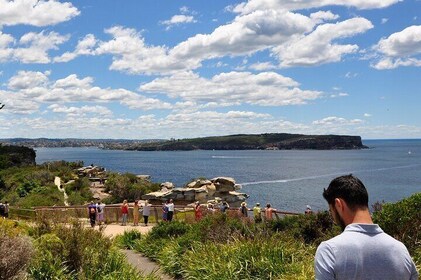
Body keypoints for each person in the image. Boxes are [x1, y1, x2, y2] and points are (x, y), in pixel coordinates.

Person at [315, 174, 418, 280]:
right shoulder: (401, 250)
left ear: (338, 204)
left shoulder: (329, 251)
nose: (333, 217)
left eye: (330, 210)